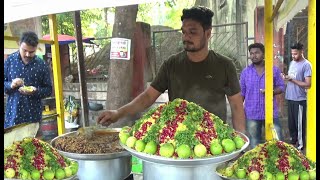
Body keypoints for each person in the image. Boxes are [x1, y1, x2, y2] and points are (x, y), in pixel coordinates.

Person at [97, 6, 246, 134]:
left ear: (208, 34)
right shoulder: (171, 64)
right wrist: (118, 113)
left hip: (214, 141)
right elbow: (148, 97)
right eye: (184, 31)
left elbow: (236, 106)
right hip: (176, 142)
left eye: (192, 32)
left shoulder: (225, 65)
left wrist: (240, 140)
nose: (186, 37)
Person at [240, 43, 285, 149]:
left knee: (277, 141)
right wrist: (240, 112)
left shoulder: (273, 70)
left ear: (264, 54)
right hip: (252, 113)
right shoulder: (245, 72)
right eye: (251, 53)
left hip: (270, 112)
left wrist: (271, 91)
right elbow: (241, 93)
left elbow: (282, 87)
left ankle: (278, 163)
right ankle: (258, 164)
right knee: (255, 143)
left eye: (257, 53)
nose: (253, 56)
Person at [4, 31, 52, 129]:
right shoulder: (10, 61)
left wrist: (36, 91)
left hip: (33, 117)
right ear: (19, 44)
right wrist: (11, 85)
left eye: (31, 52)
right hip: (13, 116)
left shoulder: (42, 65)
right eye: (24, 50)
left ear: (36, 48)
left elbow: (48, 90)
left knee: (33, 143)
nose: (27, 54)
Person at [282, 42, 311, 151]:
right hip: (290, 98)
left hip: (300, 99)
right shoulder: (292, 63)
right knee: (292, 124)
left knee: (299, 125)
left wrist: (292, 80)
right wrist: (285, 77)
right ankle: (293, 143)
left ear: (301, 52)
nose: (293, 56)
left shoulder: (306, 65)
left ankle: (301, 146)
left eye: (295, 54)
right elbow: (291, 78)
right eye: (292, 54)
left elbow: (308, 84)